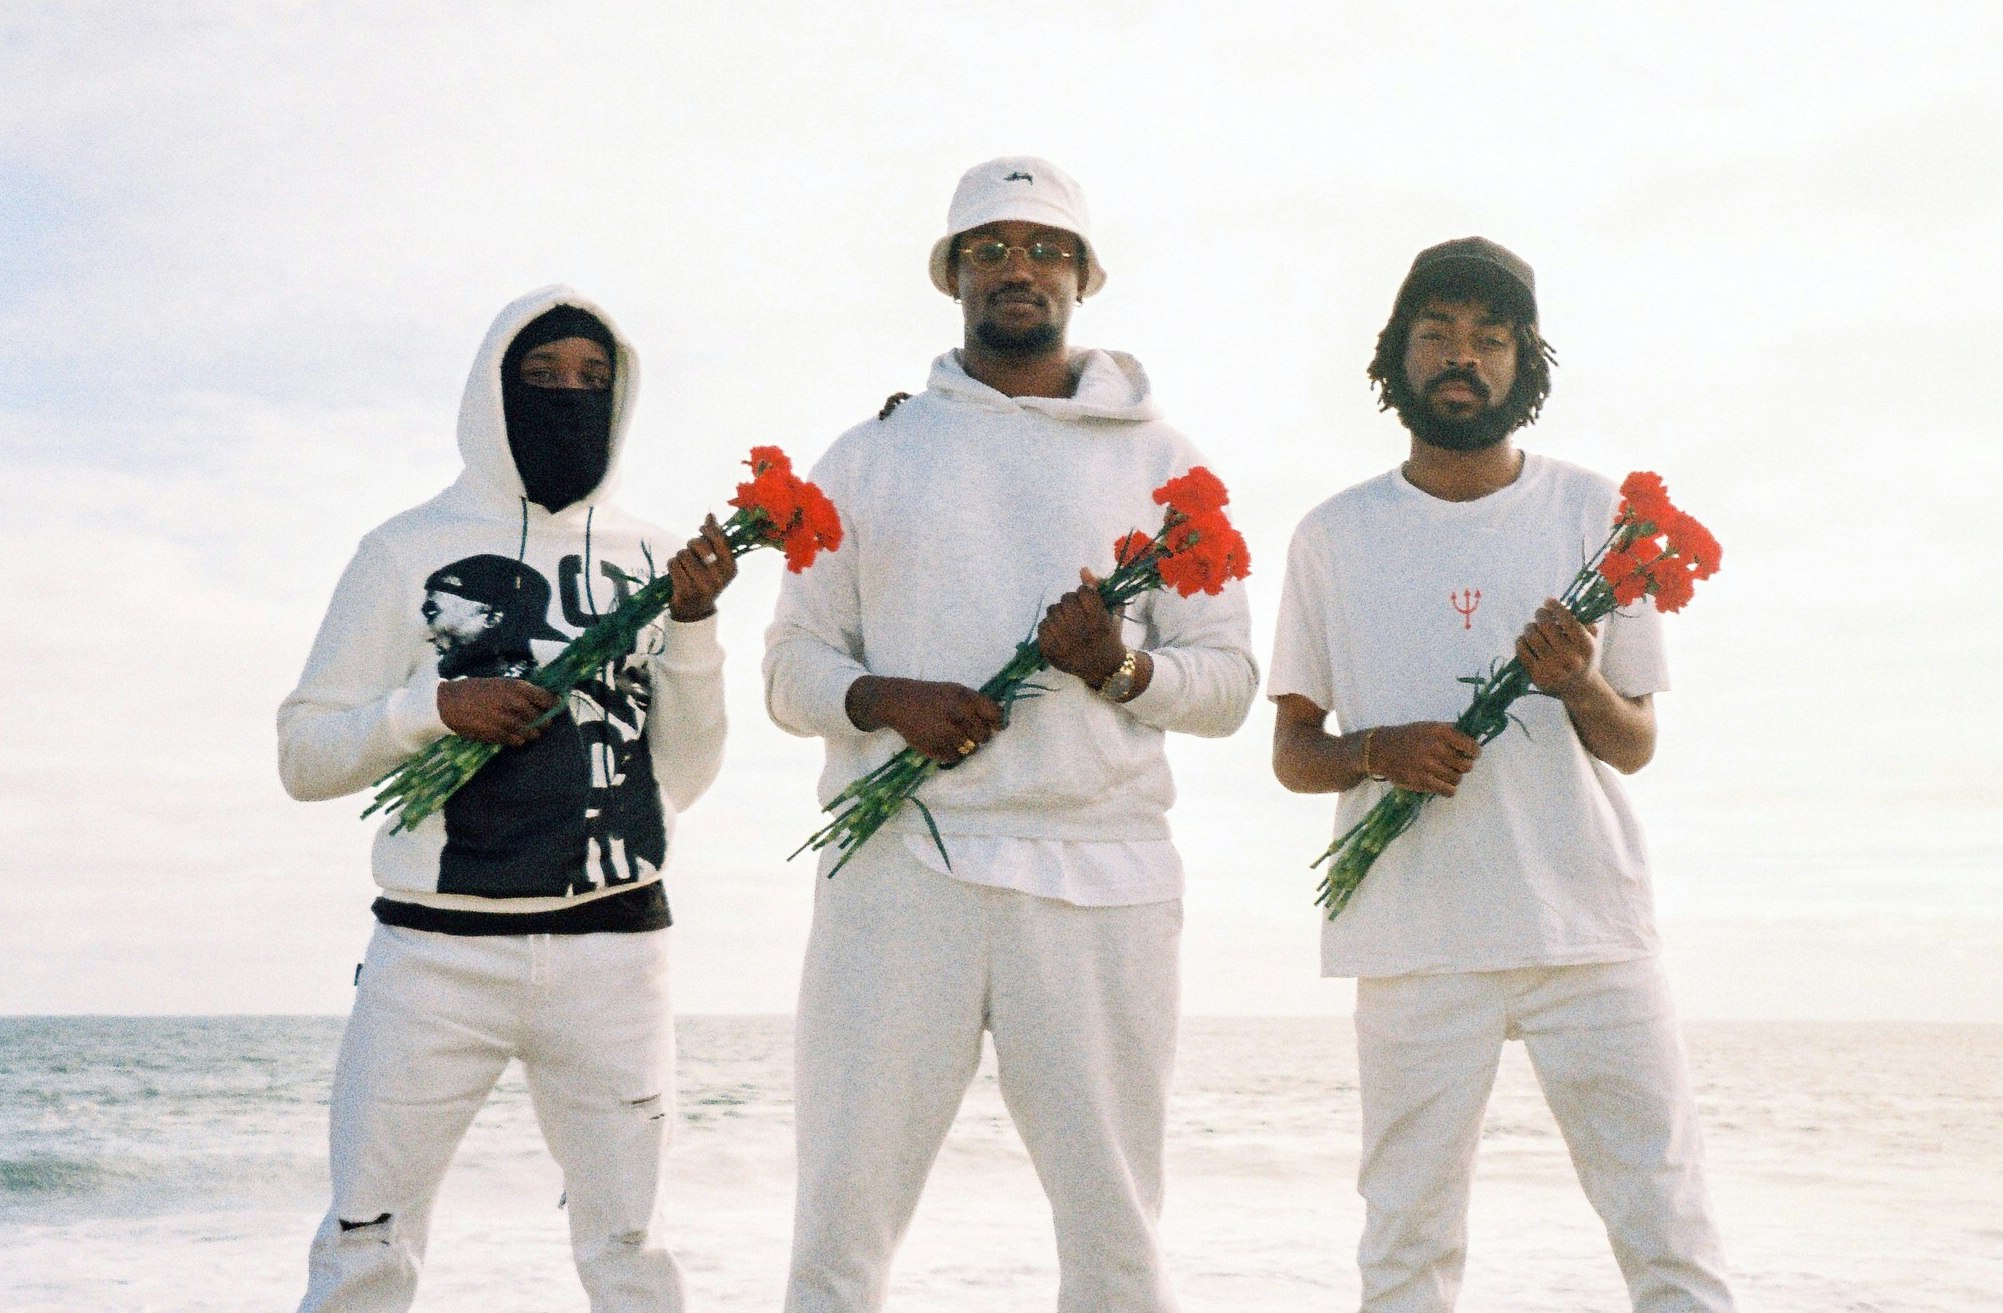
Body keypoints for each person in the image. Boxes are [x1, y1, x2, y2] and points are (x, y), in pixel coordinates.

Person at [763, 156, 1257, 1313]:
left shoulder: (1164, 459)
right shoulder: (869, 453)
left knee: (1114, 1238)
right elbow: (791, 665)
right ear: (952, 276)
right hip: (899, 867)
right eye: (986, 248)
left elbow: (1228, 683)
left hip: (1100, 874)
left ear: (1083, 274)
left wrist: (1117, 668)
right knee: (837, 1229)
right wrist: (882, 698)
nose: (1015, 267)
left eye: (1043, 247)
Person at [1266, 239, 1738, 1312]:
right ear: (1395, 354)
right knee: (1406, 1238)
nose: (1461, 357)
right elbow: (1293, 751)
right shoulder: (1332, 535)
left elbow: (1633, 742)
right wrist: (1375, 750)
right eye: (1435, 333)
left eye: (1488, 337)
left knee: (1664, 1218)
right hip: (1413, 937)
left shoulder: (1597, 513)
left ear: (1525, 362)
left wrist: (1578, 683)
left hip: (1587, 926)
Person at [277, 287, 736, 1312]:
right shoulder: (402, 550)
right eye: (541, 376)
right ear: (493, 389)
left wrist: (697, 627)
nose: (569, 395)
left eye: (592, 379)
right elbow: (304, 755)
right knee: (366, 1239)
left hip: (616, 952)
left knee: (630, 1245)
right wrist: (434, 707)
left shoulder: (655, 557)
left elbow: (685, 776)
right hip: (434, 952)